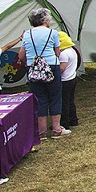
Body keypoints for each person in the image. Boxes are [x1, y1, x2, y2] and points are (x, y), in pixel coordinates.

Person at [21, 8, 67, 137]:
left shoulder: (27, 34)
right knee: (55, 97)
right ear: (46, 20)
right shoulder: (53, 33)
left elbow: (21, 56)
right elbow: (57, 52)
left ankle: (41, 130)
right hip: (51, 66)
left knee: (39, 98)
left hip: (32, 67)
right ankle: (56, 129)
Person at [57, 32, 80, 129]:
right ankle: (73, 119)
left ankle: (64, 123)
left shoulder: (64, 54)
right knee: (70, 101)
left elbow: (62, 68)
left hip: (65, 80)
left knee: (64, 102)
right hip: (72, 78)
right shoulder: (72, 50)